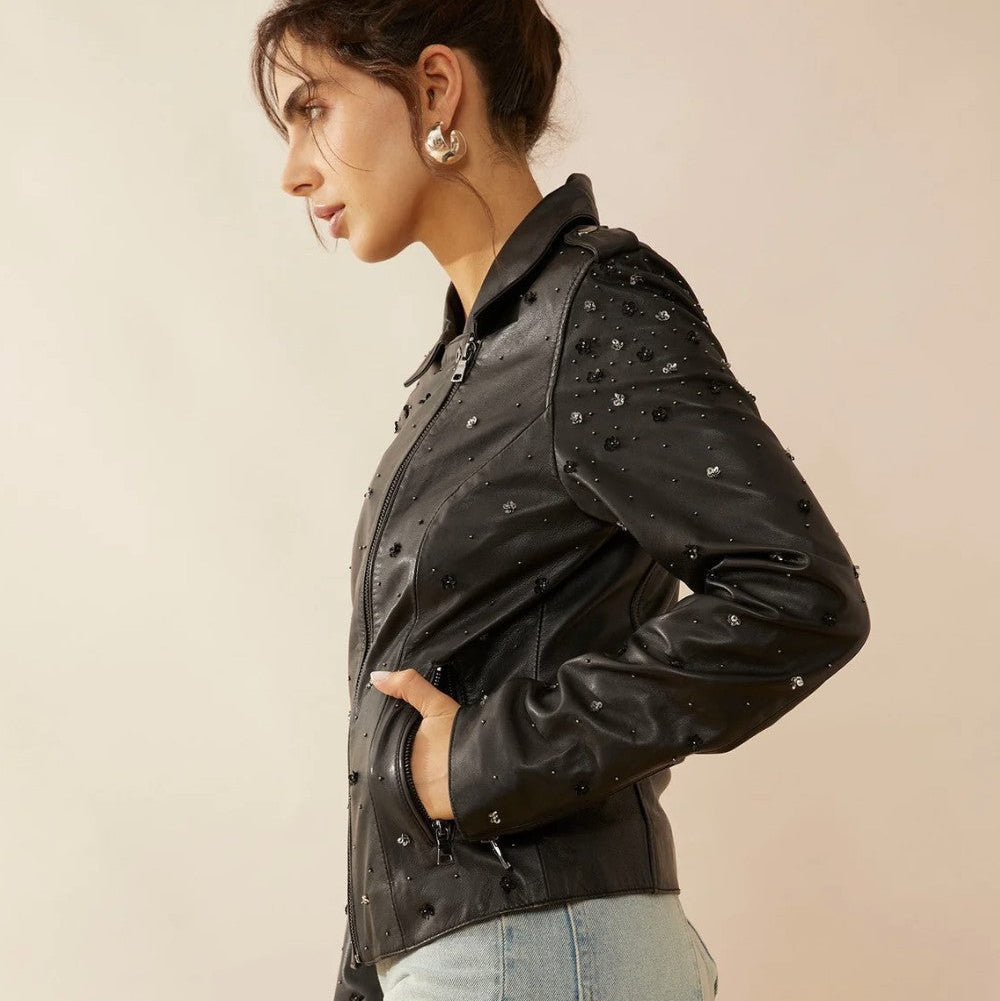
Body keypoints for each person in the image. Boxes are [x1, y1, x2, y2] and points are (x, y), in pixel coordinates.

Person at [250, 3, 872, 999]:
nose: (292, 171)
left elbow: (796, 593)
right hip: (486, 956)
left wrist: (485, 758)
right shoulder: (470, 361)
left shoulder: (593, 312)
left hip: (536, 952)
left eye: (312, 110)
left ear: (436, 89)